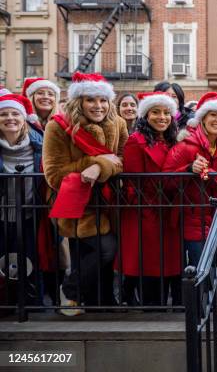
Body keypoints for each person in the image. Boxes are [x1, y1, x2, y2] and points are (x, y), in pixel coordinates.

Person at [42, 72, 128, 315]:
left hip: (109, 201)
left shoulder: (118, 123)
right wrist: (93, 162)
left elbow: (122, 159)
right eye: (90, 100)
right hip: (77, 203)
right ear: (78, 101)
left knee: (101, 256)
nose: (98, 106)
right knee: (104, 249)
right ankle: (69, 292)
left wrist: (100, 166)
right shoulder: (58, 126)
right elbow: (54, 174)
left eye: (103, 100)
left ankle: (101, 304)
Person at [120, 92, 181, 306]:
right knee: (149, 265)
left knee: (168, 264)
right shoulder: (136, 141)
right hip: (145, 212)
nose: (162, 117)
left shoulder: (173, 139)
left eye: (166, 113)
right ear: (146, 115)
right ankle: (151, 309)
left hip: (169, 211)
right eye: (156, 112)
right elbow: (134, 182)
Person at [163, 93, 217, 265]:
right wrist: (188, 169)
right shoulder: (185, 146)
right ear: (202, 119)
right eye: (213, 115)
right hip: (192, 221)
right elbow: (164, 182)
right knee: (200, 275)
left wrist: (206, 172)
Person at [0, 94, 44, 304]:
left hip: (31, 215)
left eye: (15, 113)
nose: (10, 118)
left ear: (24, 118)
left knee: (31, 262)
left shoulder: (40, 145)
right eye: (3, 114)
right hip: (2, 215)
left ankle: (32, 305)